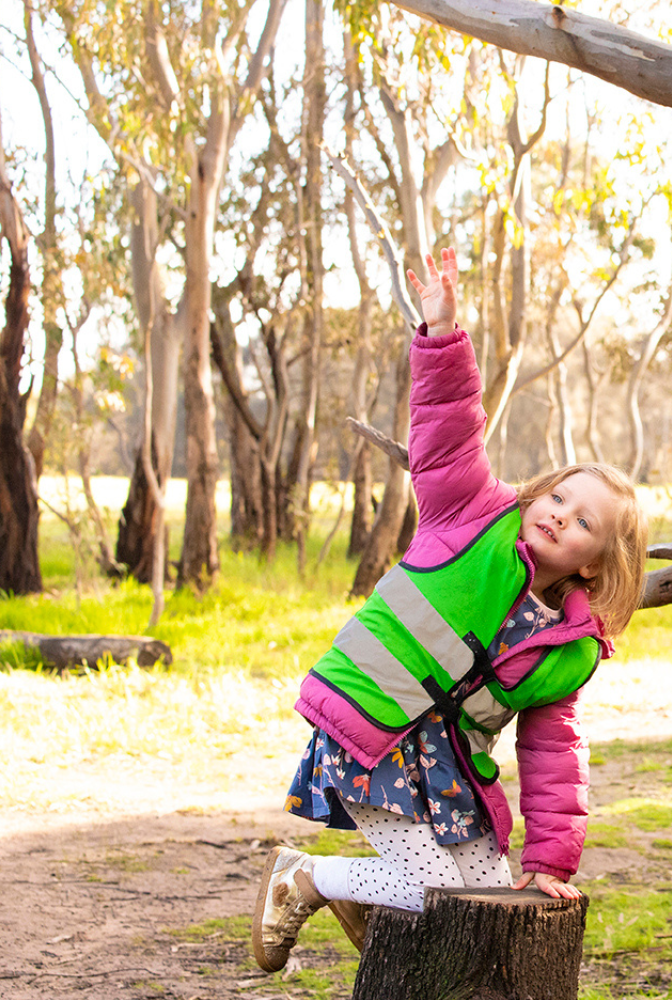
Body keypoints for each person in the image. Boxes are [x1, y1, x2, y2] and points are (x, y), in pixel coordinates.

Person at [250, 247, 649, 973]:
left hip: (445, 767)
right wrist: (442, 334)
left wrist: (551, 857)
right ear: (539, 494)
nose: (560, 516)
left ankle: (400, 941)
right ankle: (304, 877)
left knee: (493, 895)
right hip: (370, 729)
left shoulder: (569, 647)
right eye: (559, 497)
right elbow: (445, 429)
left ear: (594, 562)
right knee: (435, 889)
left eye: (584, 521)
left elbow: (555, 753)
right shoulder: (470, 513)